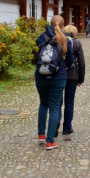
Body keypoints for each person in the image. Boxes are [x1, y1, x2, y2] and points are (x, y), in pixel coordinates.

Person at [34, 15, 75, 150]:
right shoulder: (65, 39)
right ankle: (50, 141)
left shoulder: (42, 36)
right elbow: (70, 61)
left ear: (50, 24)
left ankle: (41, 135)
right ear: (63, 25)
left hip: (41, 76)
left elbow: (36, 54)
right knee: (54, 107)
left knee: (43, 103)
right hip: (58, 77)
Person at [61, 25, 85, 141]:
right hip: (72, 76)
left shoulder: (59, 41)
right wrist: (81, 79)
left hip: (59, 75)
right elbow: (81, 62)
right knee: (69, 102)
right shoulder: (77, 43)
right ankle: (67, 128)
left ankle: (54, 126)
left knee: (58, 103)